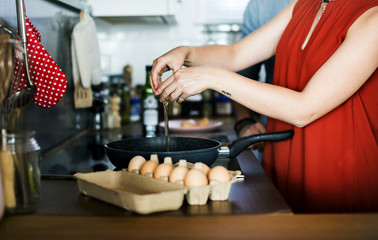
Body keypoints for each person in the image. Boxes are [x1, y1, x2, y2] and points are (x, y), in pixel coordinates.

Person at [150, 0, 378, 213]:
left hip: (339, 169)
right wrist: (187, 52)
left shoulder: (373, 18)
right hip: (284, 160)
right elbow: (235, 54)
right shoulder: (303, 5)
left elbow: (305, 108)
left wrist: (212, 78)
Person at [234, 0, 292, 159]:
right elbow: (240, 65)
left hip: (331, 136)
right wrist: (244, 122)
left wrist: (213, 77)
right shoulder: (261, 4)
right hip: (271, 136)